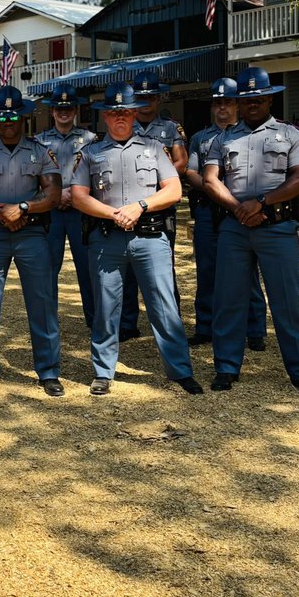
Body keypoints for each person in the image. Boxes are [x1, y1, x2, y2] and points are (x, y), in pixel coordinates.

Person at [71, 82, 202, 396]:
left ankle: (180, 370)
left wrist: (140, 206)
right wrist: (112, 213)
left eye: (126, 112)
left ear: (133, 114)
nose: (120, 117)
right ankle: (103, 372)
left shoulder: (154, 148)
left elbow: (174, 190)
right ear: (105, 116)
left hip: (150, 237)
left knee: (164, 305)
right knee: (106, 307)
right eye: (114, 112)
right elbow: (78, 196)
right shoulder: (90, 153)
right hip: (107, 238)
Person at [203, 66, 299, 394]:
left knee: (288, 301)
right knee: (229, 298)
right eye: (246, 99)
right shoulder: (223, 138)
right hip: (234, 228)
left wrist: (262, 203)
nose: (252, 103)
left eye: (258, 98)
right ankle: (226, 366)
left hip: (277, 227)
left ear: (269, 98)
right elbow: (210, 179)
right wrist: (238, 208)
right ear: (239, 102)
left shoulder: (291, 134)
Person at [0, 85, 64, 396]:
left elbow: (54, 193)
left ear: (23, 117)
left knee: (42, 301)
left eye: (13, 117)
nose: (8, 122)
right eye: (3, 117)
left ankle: (48, 371)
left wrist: (23, 208)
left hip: (32, 232)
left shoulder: (40, 152)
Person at [186, 78, 267, 349]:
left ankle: (254, 329)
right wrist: (213, 188)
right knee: (207, 268)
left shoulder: (248, 134)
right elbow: (191, 172)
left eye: (228, 102)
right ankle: (205, 326)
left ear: (238, 104)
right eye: (218, 103)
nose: (222, 107)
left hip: (240, 210)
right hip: (208, 210)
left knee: (247, 270)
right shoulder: (200, 138)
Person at [120, 71, 188, 340]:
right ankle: (127, 323)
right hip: (129, 204)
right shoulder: (125, 125)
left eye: (151, 96)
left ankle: (171, 322)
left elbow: (181, 162)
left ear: (159, 98)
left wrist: (160, 179)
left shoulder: (171, 128)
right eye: (140, 96)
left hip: (161, 205)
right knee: (126, 265)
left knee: (163, 265)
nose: (146, 100)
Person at [36, 88, 97, 328]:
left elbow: (96, 172)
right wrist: (55, 194)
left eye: (68, 108)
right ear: (52, 111)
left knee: (87, 266)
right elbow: (35, 174)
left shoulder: (90, 139)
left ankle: (94, 320)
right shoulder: (39, 141)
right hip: (50, 211)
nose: (64, 112)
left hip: (81, 210)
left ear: (75, 110)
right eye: (59, 109)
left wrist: (74, 193)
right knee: (48, 267)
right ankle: (47, 321)